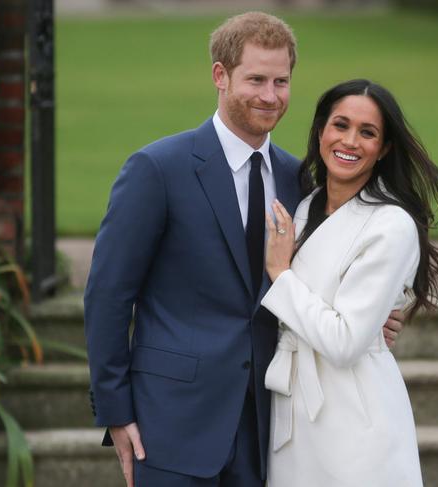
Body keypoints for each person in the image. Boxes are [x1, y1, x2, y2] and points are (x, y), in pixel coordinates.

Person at [84, 13, 404, 487]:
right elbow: (108, 295)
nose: (270, 96)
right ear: (220, 76)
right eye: (255, 79)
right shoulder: (157, 169)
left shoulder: (302, 183)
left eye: (281, 81)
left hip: (269, 428)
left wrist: (369, 316)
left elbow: (313, 278)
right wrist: (115, 410)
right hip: (170, 424)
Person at [261, 79, 438, 486]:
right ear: (320, 131)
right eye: (340, 125)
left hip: (354, 415)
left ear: (383, 148)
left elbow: (345, 342)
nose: (350, 141)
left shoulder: (391, 225)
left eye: (367, 133)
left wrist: (281, 275)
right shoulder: (307, 205)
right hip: (292, 410)